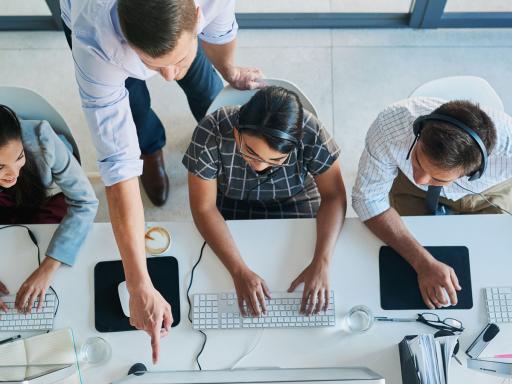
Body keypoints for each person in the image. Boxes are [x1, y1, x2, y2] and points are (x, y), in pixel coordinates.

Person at [60, 0, 264, 361]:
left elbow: (220, 31)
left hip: (175, 34)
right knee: (134, 107)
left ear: (198, 13)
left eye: (175, 60)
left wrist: (228, 69)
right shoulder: (94, 41)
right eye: (155, 66)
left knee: (203, 81)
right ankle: (151, 148)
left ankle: (207, 113)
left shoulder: (211, 4)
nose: (169, 76)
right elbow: (118, 168)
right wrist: (138, 285)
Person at [183, 86, 347, 316]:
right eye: (250, 151)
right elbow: (203, 207)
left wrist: (322, 261)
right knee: (217, 276)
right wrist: (238, 271)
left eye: (276, 160)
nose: (259, 166)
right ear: (237, 132)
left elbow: (334, 196)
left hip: (295, 199)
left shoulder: (311, 131)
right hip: (231, 201)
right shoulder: (211, 131)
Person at [352, 97, 512, 309]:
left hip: (488, 192)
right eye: (418, 160)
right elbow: (367, 199)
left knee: (491, 266)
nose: (422, 180)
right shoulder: (390, 126)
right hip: (408, 187)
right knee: (405, 252)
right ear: (419, 132)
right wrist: (423, 263)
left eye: (438, 178)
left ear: (472, 173)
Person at [0, 105, 98, 314]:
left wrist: (47, 268)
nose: (13, 174)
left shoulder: (41, 139)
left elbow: (85, 202)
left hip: (38, 201)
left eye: (19, 158)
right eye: (0, 167)